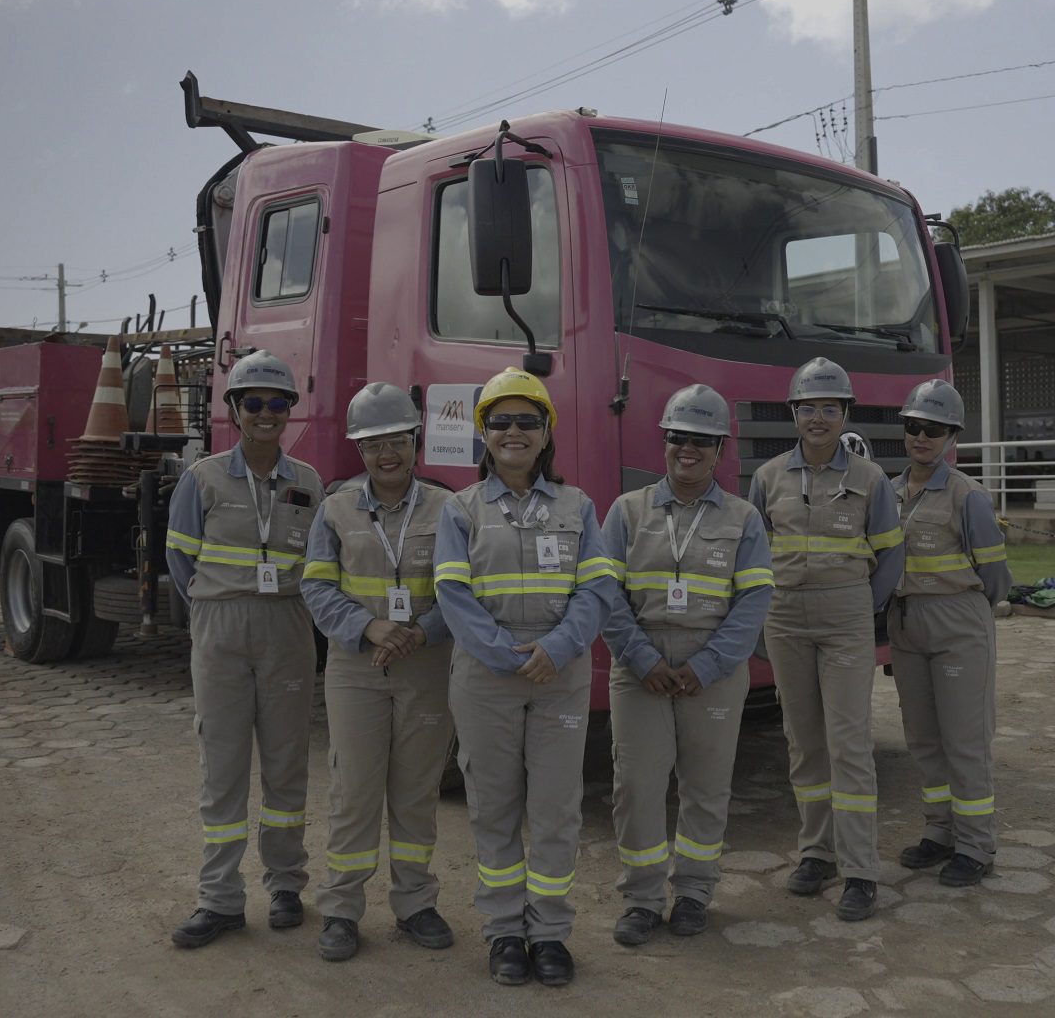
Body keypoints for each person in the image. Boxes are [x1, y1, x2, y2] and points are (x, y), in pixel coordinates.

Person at [433, 368, 621, 988]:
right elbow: (452, 595)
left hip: (558, 676)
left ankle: (549, 935)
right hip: (488, 678)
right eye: (501, 421)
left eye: (527, 421)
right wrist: (507, 654)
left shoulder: (577, 507)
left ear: (546, 435)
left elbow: (597, 588)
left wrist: (561, 646)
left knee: (556, 808)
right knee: (493, 807)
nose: (514, 432)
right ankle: (504, 932)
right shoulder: (460, 509)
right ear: (484, 434)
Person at [601, 385, 774, 947]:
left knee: (705, 786)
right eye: (678, 438)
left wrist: (708, 665)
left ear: (720, 448)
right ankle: (643, 899)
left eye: (702, 440)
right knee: (637, 785)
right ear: (665, 443)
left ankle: (695, 892)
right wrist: (642, 657)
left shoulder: (745, 519)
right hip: (639, 666)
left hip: (714, 670)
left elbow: (752, 606)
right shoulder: (627, 512)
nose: (688, 449)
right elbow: (606, 595)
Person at [162, 350, 325, 949]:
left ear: (289, 412)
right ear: (233, 409)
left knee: (286, 763)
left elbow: (320, 563)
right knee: (223, 768)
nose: (265, 413)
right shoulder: (201, 478)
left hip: (287, 627)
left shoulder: (308, 482)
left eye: (277, 403)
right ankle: (221, 899)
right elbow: (180, 560)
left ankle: (286, 885)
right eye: (253, 402)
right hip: (221, 631)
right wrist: (217, 606)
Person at [299, 383, 456, 963]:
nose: (385, 454)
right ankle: (341, 909)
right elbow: (316, 584)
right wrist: (368, 628)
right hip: (357, 668)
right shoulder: (335, 509)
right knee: (354, 790)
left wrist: (422, 631)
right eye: (371, 445)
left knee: (416, 791)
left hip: (426, 666)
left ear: (415, 440)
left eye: (395, 440)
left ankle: (415, 904)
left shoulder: (449, 510)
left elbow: (461, 591)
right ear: (358, 452)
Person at [746, 357, 904, 922]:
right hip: (785, 619)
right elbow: (754, 554)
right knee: (804, 741)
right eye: (808, 407)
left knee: (850, 744)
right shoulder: (767, 479)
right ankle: (817, 854)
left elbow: (891, 554)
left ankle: (860, 870)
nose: (818, 417)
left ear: (844, 415)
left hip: (845, 622)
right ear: (793, 413)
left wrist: (866, 605)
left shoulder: (870, 479)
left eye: (829, 408)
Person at [888, 380, 1012, 889]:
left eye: (933, 429)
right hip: (906, 623)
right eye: (914, 427)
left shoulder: (968, 496)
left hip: (957, 621)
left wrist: (964, 613)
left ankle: (976, 846)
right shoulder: (890, 493)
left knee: (964, 740)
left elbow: (996, 578)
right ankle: (939, 834)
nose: (921, 436)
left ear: (951, 436)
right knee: (923, 738)